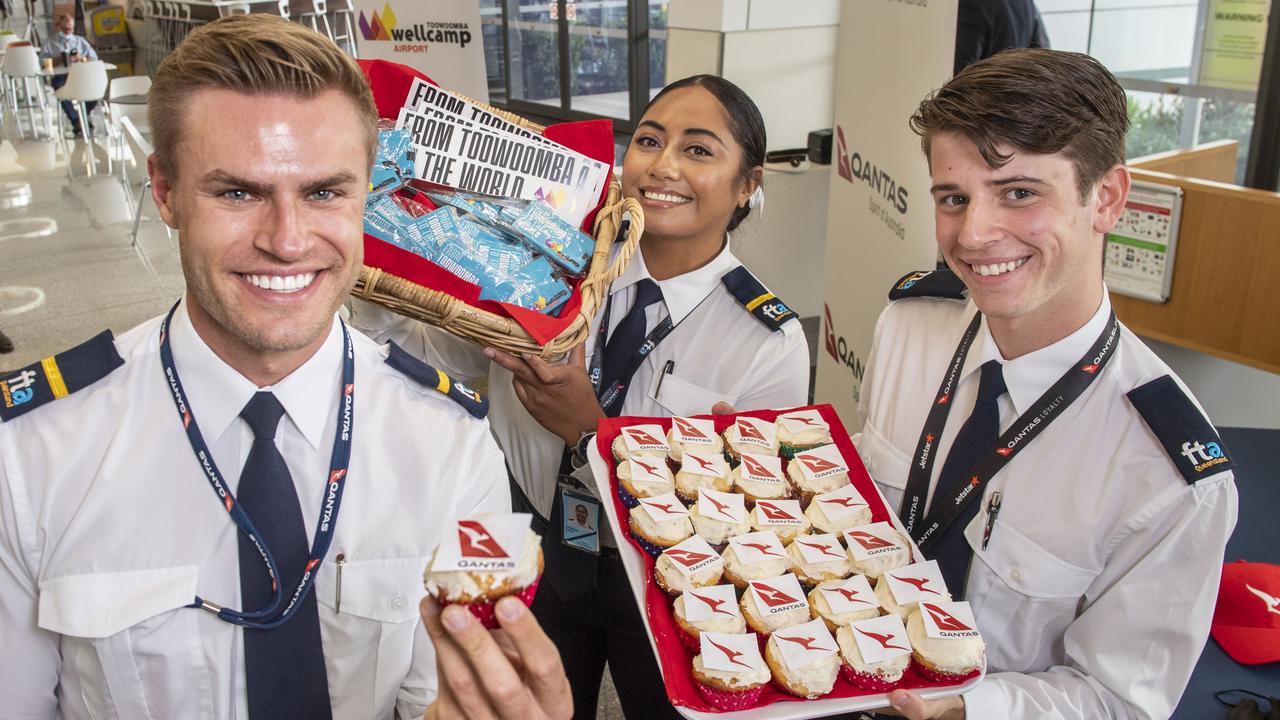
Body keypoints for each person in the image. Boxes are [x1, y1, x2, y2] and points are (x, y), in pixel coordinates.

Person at [0, 15, 570, 720]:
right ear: (166, 192)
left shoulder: (450, 442)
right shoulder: (30, 455)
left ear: (368, 194)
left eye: (325, 192)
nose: (288, 240)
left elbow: (442, 692)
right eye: (237, 192)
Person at [352, 74, 810, 717]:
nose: (663, 166)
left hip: (667, 579)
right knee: (509, 704)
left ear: (748, 185)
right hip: (521, 530)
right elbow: (432, 357)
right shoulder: (544, 261)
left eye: (699, 150)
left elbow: (748, 514)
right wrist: (382, 277)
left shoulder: (766, 338)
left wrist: (592, 432)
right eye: (649, 140)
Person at [853, 49, 1238, 719]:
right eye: (954, 198)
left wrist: (971, 707)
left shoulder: (1169, 476)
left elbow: (1119, 701)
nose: (974, 234)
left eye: (1020, 193)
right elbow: (871, 497)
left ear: (1108, 199)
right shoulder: (908, 325)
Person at [41, 12, 99, 137]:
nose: (68, 31)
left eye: (71, 29)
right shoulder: (49, 42)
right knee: (62, 89)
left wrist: (81, 58)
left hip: (82, 75)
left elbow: (94, 59)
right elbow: (42, 64)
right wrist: (61, 58)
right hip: (61, 76)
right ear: (59, 27)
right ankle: (76, 121)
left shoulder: (80, 41)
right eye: (65, 29)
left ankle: (83, 114)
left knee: (97, 89)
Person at [955, 0, 1049, 74]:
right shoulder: (1027, 3)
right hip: (1018, 91)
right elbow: (1039, 52)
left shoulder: (967, 4)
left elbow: (959, 71)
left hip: (986, 93)